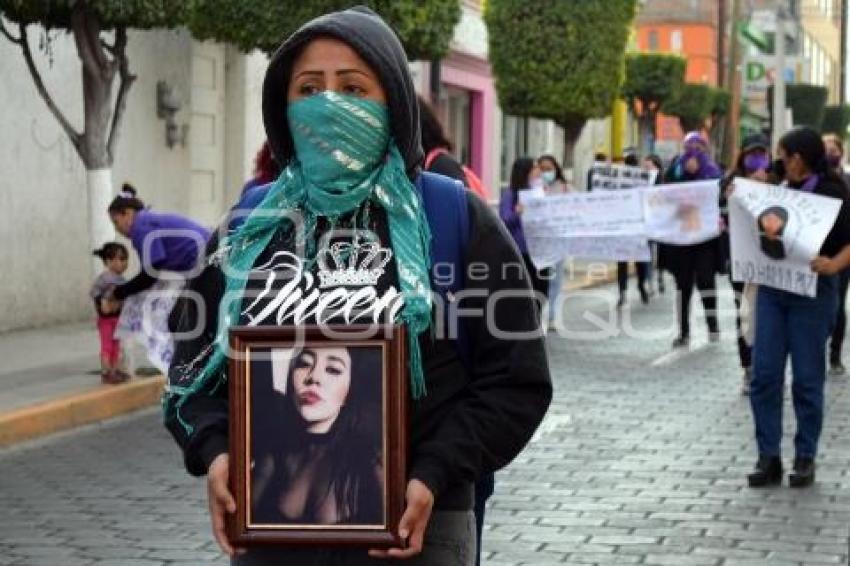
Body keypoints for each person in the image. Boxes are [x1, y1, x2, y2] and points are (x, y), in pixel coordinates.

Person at [164, 7, 552, 565]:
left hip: (417, 530)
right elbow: (190, 366)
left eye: (353, 87)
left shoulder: (454, 220)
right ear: (283, 106)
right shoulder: (248, 229)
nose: (330, 104)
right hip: (275, 528)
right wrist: (216, 449)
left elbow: (516, 382)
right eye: (308, 88)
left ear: (391, 100)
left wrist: (434, 471)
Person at [746, 127, 850, 488]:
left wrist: (835, 265)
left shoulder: (832, 191)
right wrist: (747, 186)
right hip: (775, 290)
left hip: (814, 293)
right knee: (764, 376)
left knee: (807, 379)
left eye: (785, 154)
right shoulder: (776, 182)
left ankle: (805, 456)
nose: (780, 160)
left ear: (800, 157)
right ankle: (768, 456)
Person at [251, 347, 382, 525]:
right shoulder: (274, 455)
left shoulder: (372, 462)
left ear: (349, 392)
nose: (314, 377)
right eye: (304, 364)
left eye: (333, 369)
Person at [719, 134, 772, 394]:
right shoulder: (730, 183)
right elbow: (717, 217)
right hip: (741, 261)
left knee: (769, 315)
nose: (757, 163)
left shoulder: (776, 183)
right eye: (753, 157)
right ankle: (748, 368)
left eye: (762, 156)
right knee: (744, 312)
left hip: (771, 263)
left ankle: (767, 368)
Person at [102, 184, 212, 307]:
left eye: (116, 222)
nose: (116, 229)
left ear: (127, 214)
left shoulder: (140, 228)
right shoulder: (145, 220)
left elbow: (150, 274)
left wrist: (119, 293)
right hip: (207, 253)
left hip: (205, 259)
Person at [661, 132, 723, 348]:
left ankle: (712, 325)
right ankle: (683, 331)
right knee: (683, 286)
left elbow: (718, 194)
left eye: (699, 145)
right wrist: (684, 175)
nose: (694, 149)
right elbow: (664, 192)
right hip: (680, 239)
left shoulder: (712, 170)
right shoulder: (675, 168)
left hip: (704, 239)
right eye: (690, 145)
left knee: (706, 281)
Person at [499, 157, 553, 306]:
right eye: (535, 167)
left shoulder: (540, 191)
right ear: (525, 171)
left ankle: (537, 321)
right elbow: (504, 220)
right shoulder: (511, 194)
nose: (538, 171)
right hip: (521, 252)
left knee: (541, 291)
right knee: (524, 293)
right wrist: (518, 212)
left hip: (540, 251)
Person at [823, 133, 850, 376]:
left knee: (838, 303)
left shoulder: (847, 180)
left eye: (834, 149)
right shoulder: (814, 183)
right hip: (818, 252)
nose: (830, 153)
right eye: (826, 149)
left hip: (842, 253)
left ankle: (835, 354)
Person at [90, 242, 130, 385]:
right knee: (107, 346)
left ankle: (114, 370)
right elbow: (94, 293)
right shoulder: (104, 278)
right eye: (119, 259)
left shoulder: (123, 280)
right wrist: (102, 303)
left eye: (125, 259)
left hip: (117, 318)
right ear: (108, 261)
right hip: (106, 320)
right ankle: (106, 372)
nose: (123, 263)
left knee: (116, 346)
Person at [537, 154, 568, 329]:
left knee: (555, 279)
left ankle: (552, 316)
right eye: (542, 169)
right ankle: (539, 312)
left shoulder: (563, 188)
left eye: (549, 169)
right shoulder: (533, 187)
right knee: (541, 278)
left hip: (558, 239)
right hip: (539, 241)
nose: (545, 172)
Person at [617, 153, 651, 307]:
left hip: (625, 226)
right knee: (640, 261)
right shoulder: (642, 178)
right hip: (636, 226)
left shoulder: (618, 179)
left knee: (623, 262)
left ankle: (622, 291)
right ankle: (641, 286)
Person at [643, 154, 666, 295]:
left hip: (660, 218)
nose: (645, 165)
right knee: (649, 251)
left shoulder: (663, 177)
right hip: (647, 219)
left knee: (660, 250)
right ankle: (649, 281)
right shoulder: (641, 178)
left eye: (648, 163)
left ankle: (660, 276)